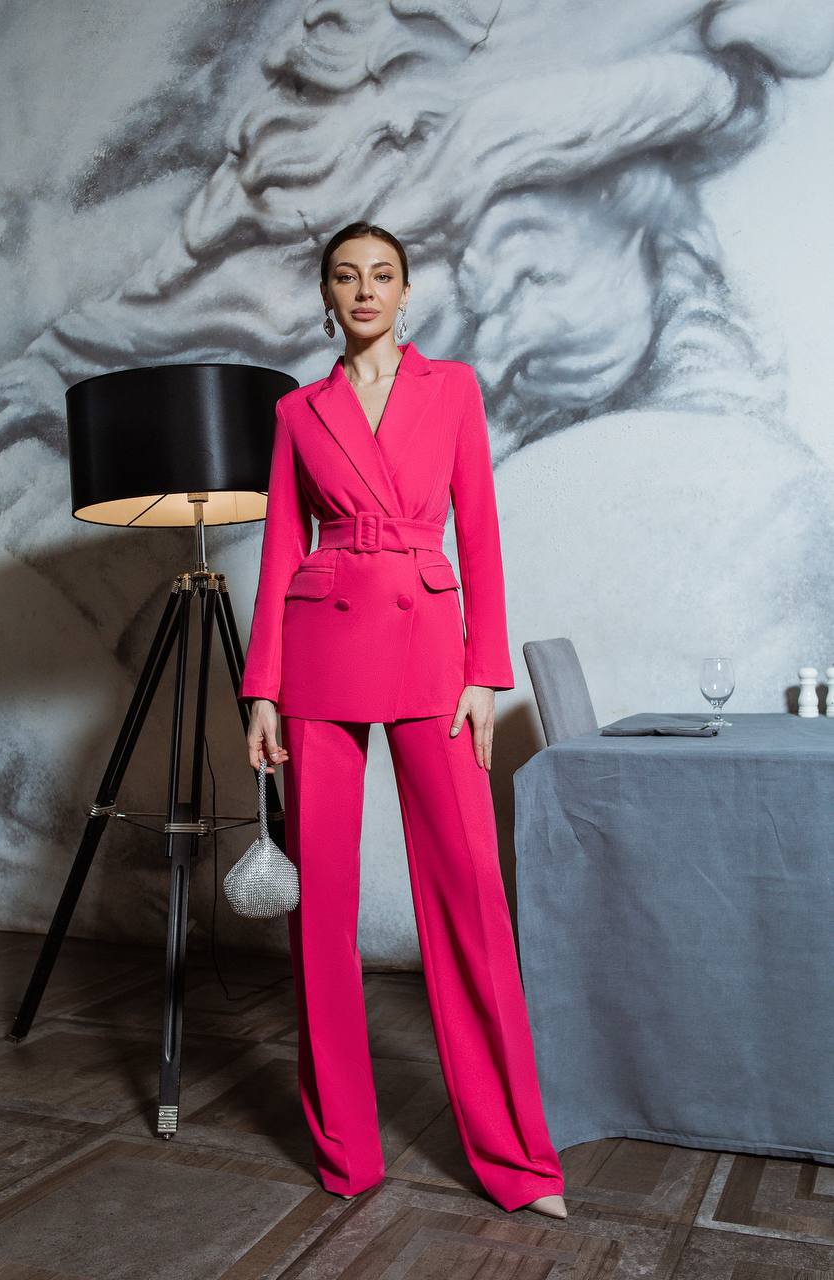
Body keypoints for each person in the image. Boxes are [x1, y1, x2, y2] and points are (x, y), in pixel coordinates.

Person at [238, 220, 567, 1218]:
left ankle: (516, 1157)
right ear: (328, 295)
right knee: (323, 909)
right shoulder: (300, 412)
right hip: (320, 650)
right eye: (346, 276)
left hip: (431, 648)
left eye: (381, 274)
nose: (365, 289)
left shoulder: (452, 388)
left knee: (469, 891)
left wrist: (483, 669)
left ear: (406, 291)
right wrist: (261, 686)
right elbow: (281, 548)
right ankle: (346, 1151)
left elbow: (483, 530)